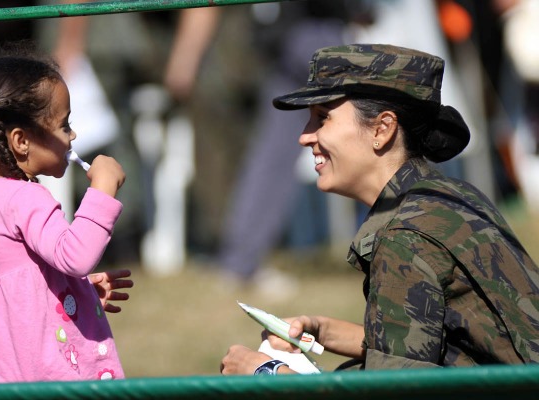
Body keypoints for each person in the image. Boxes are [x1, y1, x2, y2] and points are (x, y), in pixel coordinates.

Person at [220, 44, 539, 375]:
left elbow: (393, 393)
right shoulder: (446, 197)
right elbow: (436, 347)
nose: (304, 137)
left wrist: (267, 373)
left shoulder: (405, 237)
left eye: (323, 117)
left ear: (381, 129)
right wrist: (326, 332)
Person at [0, 51, 132, 383]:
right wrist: (103, 190)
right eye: (64, 124)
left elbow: (12, 295)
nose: (72, 136)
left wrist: (73, 294)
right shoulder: (25, 197)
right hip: (42, 382)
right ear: (21, 141)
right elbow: (76, 257)